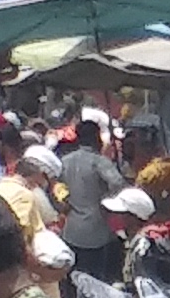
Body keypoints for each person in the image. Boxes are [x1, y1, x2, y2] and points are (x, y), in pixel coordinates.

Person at [49, 117, 127, 285]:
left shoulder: (65, 161)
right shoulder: (99, 162)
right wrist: (107, 200)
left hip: (72, 229)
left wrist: (62, 204)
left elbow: (53, 186)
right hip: (97, 230)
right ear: (96, 137)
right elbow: (118, 184)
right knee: (95, 282)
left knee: (73, 279)